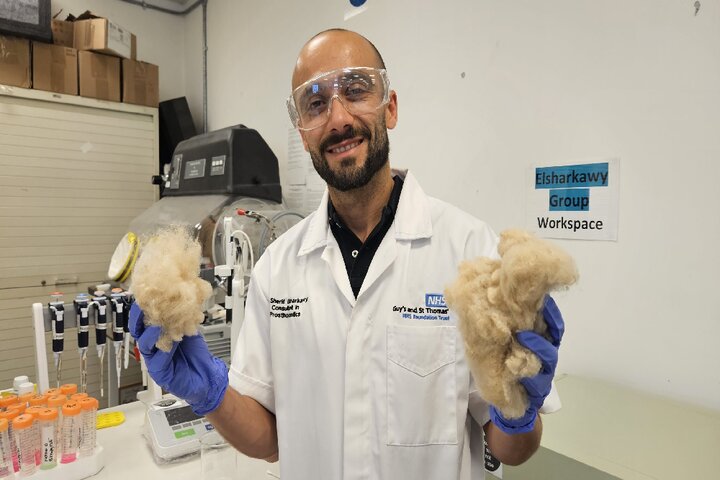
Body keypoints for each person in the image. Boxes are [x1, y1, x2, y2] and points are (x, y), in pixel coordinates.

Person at [130, 28, 565, 480]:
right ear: (303, 132)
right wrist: (211, 394)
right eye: (316, 103)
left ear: (389, 107)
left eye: (355, 90)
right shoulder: (278, 268)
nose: (338, 118)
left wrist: (518, 410)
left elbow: (509, 449)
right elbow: (269, 440)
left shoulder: (468, 249)